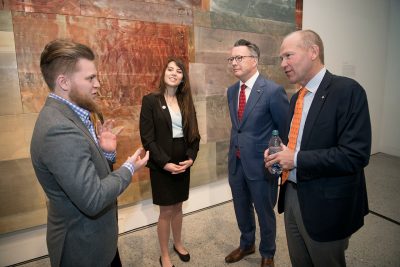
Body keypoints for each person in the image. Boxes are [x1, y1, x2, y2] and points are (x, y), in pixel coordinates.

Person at [30, 39, 149, 267]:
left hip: (98, 240)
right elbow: (93, 198)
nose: (98, 84)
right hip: (83, 248)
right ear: (64, 82)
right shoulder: (59, 128)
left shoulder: (72, 116)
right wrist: (129, 168)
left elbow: (85, 176)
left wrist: (106, 154)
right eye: (90, 78)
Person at [265, 30, 372, 267]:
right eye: (281, 58)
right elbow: (298, 143)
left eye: (288, 56)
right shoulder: (296, 98)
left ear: (313, 52)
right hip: (291, 195)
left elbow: (355, 154)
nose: (283, 64)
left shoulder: (347, 91)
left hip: (327, 203)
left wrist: (297, 159)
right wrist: (280, 152)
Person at [225, 39, 289, 267]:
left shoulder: (272, 91)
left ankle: (268, 252)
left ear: (254, 60)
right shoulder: (232, 91)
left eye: (238, 58)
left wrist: (276, 161)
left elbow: (285, 130)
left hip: (262, 165)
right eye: (231, 58)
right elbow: (238, 126)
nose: (233, 63)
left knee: (264, 212)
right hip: (236, 163)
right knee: (241, 207)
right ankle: (247, 243)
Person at [139, 57, 200, 267]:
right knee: (166, 211)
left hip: (182, 162)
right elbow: (148, 139)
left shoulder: (186, 102)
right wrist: (164, 162)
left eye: (179, 71)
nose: (174, 73)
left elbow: (194, 135)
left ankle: (179, 243)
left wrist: (191, 158)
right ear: (164, 73)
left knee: (178, 207)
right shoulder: (150, 101)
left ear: (183, 78)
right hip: (161, 164)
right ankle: (164, 254)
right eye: (170, 69)